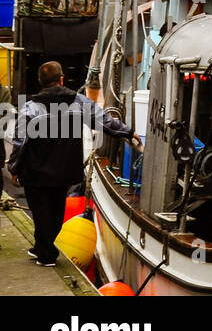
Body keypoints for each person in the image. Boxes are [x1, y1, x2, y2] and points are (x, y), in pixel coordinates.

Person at [6, 60, 140, 266]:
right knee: (57, 210)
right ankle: (43, 248)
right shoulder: (80, 102)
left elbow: (20, 141)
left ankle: (46, 253)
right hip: (64, 171)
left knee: (41, 212)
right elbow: (105, 122)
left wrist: (14, 168)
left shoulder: (30, 108)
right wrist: (128, 132)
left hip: (35, 171)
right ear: (61, 79)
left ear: (41, 81)